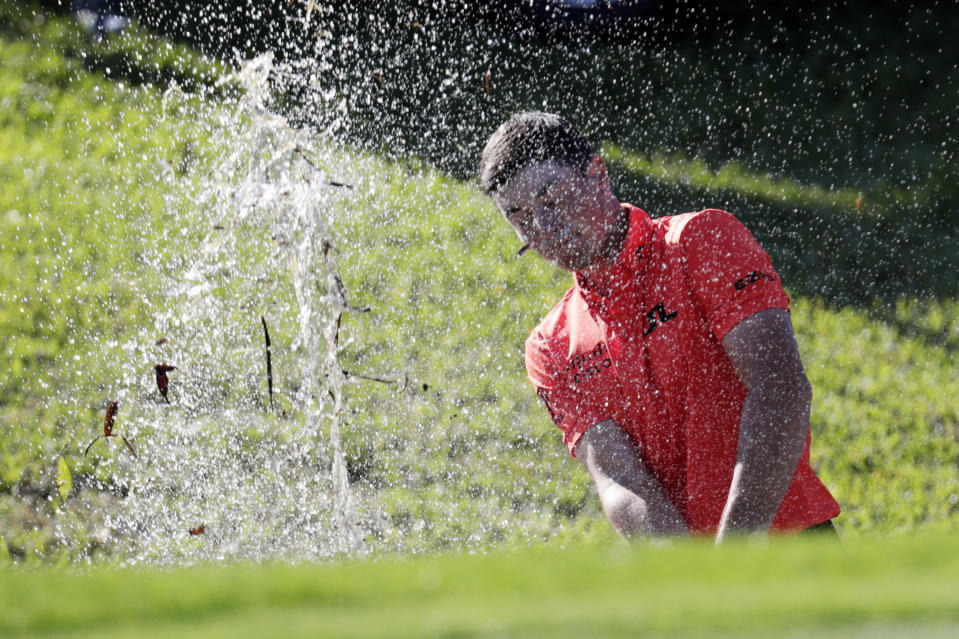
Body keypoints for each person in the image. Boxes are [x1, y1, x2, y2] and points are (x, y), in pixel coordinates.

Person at [479, 112, 840, 541]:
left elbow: (780, 387)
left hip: (794, 549)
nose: (544, 228)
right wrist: (691, 583)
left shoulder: (701, 241)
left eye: (553, 200)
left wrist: (735, 555)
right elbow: (620, 481)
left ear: (598, 175)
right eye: (520, 217)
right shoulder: (550, 346)